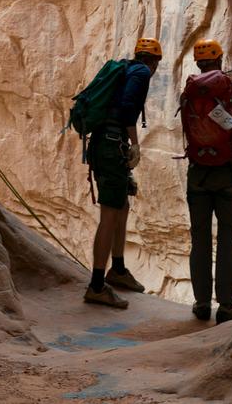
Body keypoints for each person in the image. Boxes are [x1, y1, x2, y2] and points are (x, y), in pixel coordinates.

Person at [84, 36, 162, 308]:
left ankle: (117, 269)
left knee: (122, 204)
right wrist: (135, 145)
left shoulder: (127, 68)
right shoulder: (141, 72)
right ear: (154, 62)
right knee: (109, 213)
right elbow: (129, 108)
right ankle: (96, 285)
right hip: (112, 144)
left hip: (103, 142)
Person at [181, 39, 232, 325]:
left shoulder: (187, 95)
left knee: (199, 238)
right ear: (220, 60)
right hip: (228, 174)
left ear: (198, 62)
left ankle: (200, 303)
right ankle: (225, 305)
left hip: (198, 174)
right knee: (226, 238)